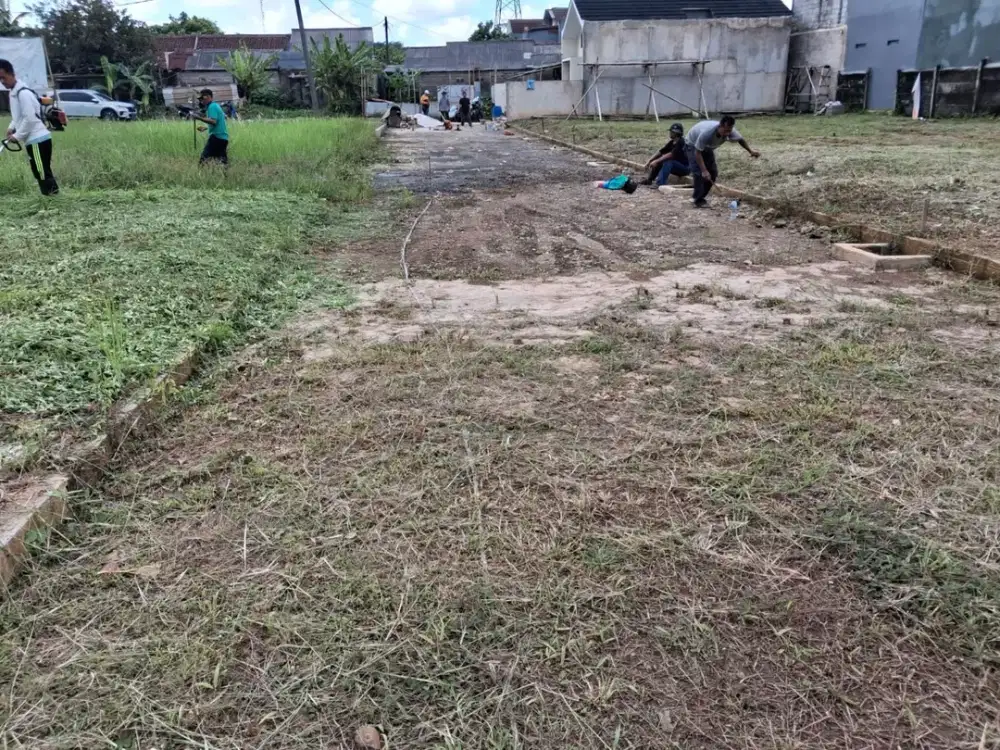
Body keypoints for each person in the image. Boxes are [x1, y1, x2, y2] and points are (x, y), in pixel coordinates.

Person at [0, 59, 59, 196]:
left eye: (3, 77)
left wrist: (17, 136)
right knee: (40, 170)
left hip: (37, 140)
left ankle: (52, 199)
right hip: (35, 140)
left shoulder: (23, 94)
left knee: (41, 172)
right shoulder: (15, 92)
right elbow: (20, 116)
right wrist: (11, 127)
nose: (2, 81)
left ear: (12, 74)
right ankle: (52, 197)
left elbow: (30, 118)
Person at [685, 115, 759, 208]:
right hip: (692, 145)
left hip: (708, 147)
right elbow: (697, 152)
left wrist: (750, 151)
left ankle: (700, 197)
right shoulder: (707, 133)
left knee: (713, 173)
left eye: (729, 131)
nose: (727, 134)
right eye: (725, 131)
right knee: (699, 173)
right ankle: (697, 199)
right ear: (719, 126)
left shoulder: (730, 130)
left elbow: (740, 139)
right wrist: (704, 170)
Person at [191, 88, 229, 165]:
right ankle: (224, 175)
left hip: (216, 138)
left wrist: (199, 118)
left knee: (203, 159)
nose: (201, 101)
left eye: (202, 98)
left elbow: (213, 122)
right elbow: (218, 123)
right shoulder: (214, 106)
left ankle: (201, 174)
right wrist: (205, 128)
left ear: (208, 97)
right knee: (222, 161)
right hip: (222, 138)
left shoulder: (212, 106)